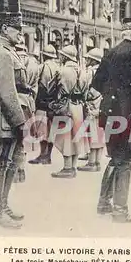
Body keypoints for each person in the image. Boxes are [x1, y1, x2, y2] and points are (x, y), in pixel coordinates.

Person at [92, 17, 131, 223]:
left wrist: (113, 93)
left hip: (109, 113)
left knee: (115, 158)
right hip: (129, 115)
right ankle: (120, 210)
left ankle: (104, 202)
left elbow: (97, 83)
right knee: (126, 161)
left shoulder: (111, 52)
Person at [0, 11, 30, 229]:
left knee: (10, 162)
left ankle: (3, 205)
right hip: (5, 115)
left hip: (11, 113)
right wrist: (20, 121)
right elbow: (7, 91)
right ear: (4, 29)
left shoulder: (9, 51)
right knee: (1, 163)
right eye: (16, 28)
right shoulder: (1, 53)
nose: (20, 33)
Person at [50, 45, 89, 178]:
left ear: (65, 57)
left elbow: (55, 89)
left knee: (65, 136)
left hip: (66, 106)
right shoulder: (83, 71)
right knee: (76, 136)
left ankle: (67, 167)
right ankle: (73, 166)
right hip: (79, 106)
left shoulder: (63, 71)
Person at [29, 45, 60, 165]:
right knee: (51, 131)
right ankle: (48, 156)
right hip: (53, 103)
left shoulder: (41, 67)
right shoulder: (58, 68)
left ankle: (42, 155)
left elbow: (36, 83)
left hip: (42, 102)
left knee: (41, 130)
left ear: (44, 55)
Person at [14, 37, 40, 182]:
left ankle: (15, 171)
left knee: (13, 138)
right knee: (24, 137)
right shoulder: (34, 64)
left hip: (16, 101)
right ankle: (22, 169)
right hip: (29, 103)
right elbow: (35, 87)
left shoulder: (12, 60)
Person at [78, 48, 105, 172]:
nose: (86, 60)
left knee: (93, 133)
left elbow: (85, 88)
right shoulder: (105, 72)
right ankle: (97, 161)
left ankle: (92, 162)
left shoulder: (91, 72)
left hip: (92, 104)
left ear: (93, 60)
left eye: (88, 58)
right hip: (102, 105)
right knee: (99, 133)